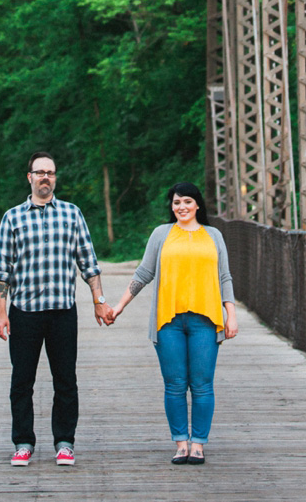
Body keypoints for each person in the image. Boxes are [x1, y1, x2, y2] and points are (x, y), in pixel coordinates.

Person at [106, 182, 238, 466]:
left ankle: (198, 444)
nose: (181, 207)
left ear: (198, 205)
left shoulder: (213, 235)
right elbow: (143, 273)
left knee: (202, 385)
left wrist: (232, 315)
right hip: (169, 322)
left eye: (187, 202)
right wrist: (118, 306)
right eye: (176, 202)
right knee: (175, 385)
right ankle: (181, 443)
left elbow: (224, 277)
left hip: (207, 321)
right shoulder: (161, 235)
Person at [0, 151, 111, 467]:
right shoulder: (12, 218)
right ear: (29, 177)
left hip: (62, 311)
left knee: (65, 379)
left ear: (55, 178)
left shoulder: (72, 215)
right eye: (40, 172)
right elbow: (3, 269)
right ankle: (23, 442)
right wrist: (1, 312)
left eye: (51, 172)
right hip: (25, 312)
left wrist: (98, 302)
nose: (46, 177)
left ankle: (64, 441)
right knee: (21, 381)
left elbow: (89, 262)